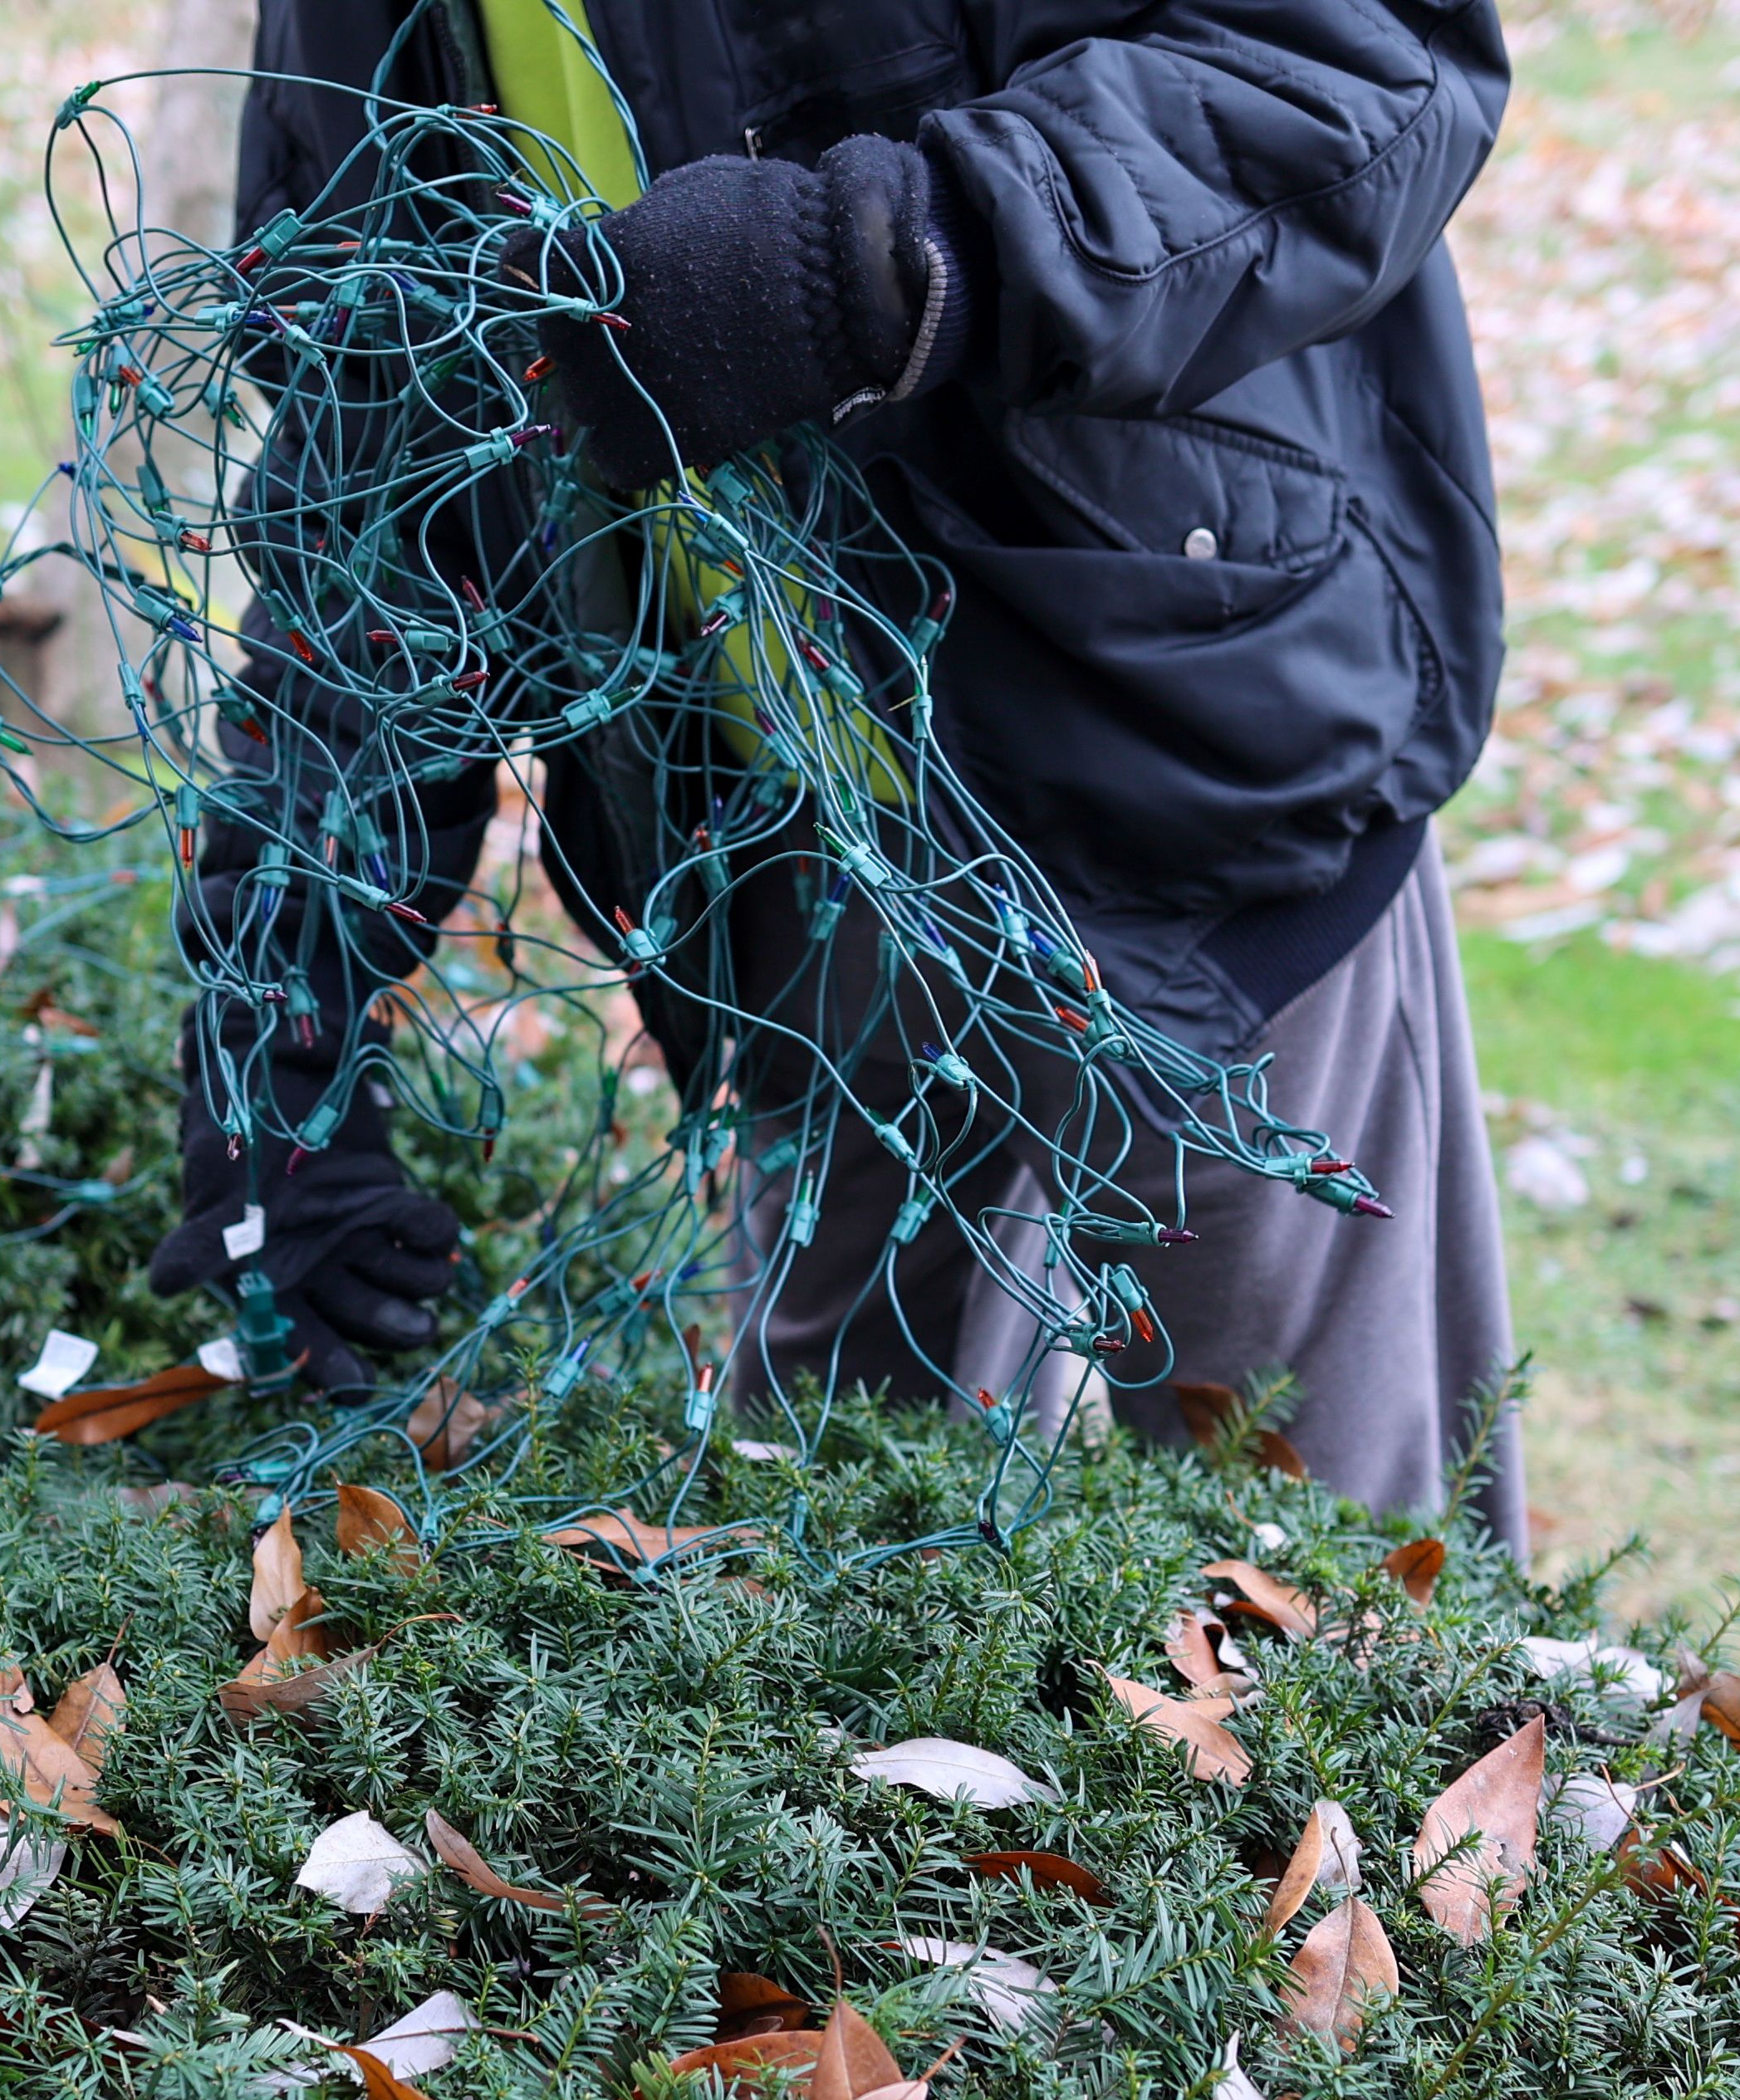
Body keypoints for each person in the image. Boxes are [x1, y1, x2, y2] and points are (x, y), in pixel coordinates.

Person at [145, 0, 1525, 1550]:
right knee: (827, 1578)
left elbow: (1345, 63)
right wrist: (282, 1041)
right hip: (792, 901)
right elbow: (375, 466)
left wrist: (869, 264)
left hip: (1180, 776)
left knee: (1344, 1585)